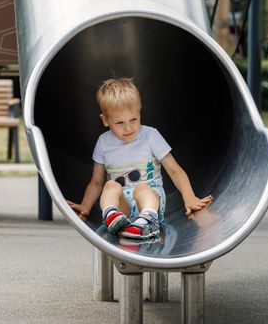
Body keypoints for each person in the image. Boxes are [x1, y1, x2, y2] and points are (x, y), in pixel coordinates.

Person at [67, 78, 213, 239]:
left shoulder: (150, 136)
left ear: (139, 111)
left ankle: (147, 221)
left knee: (142, 188)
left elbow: (174, 170)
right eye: (120, 123)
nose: (128, 128)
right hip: (124, 207)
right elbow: (96, 182)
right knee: (110, 186)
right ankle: (113, 217)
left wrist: (189, 196)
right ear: (105, 120)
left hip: (150, 200)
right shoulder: (103, 142)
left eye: (133, 119)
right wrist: (85, 206)